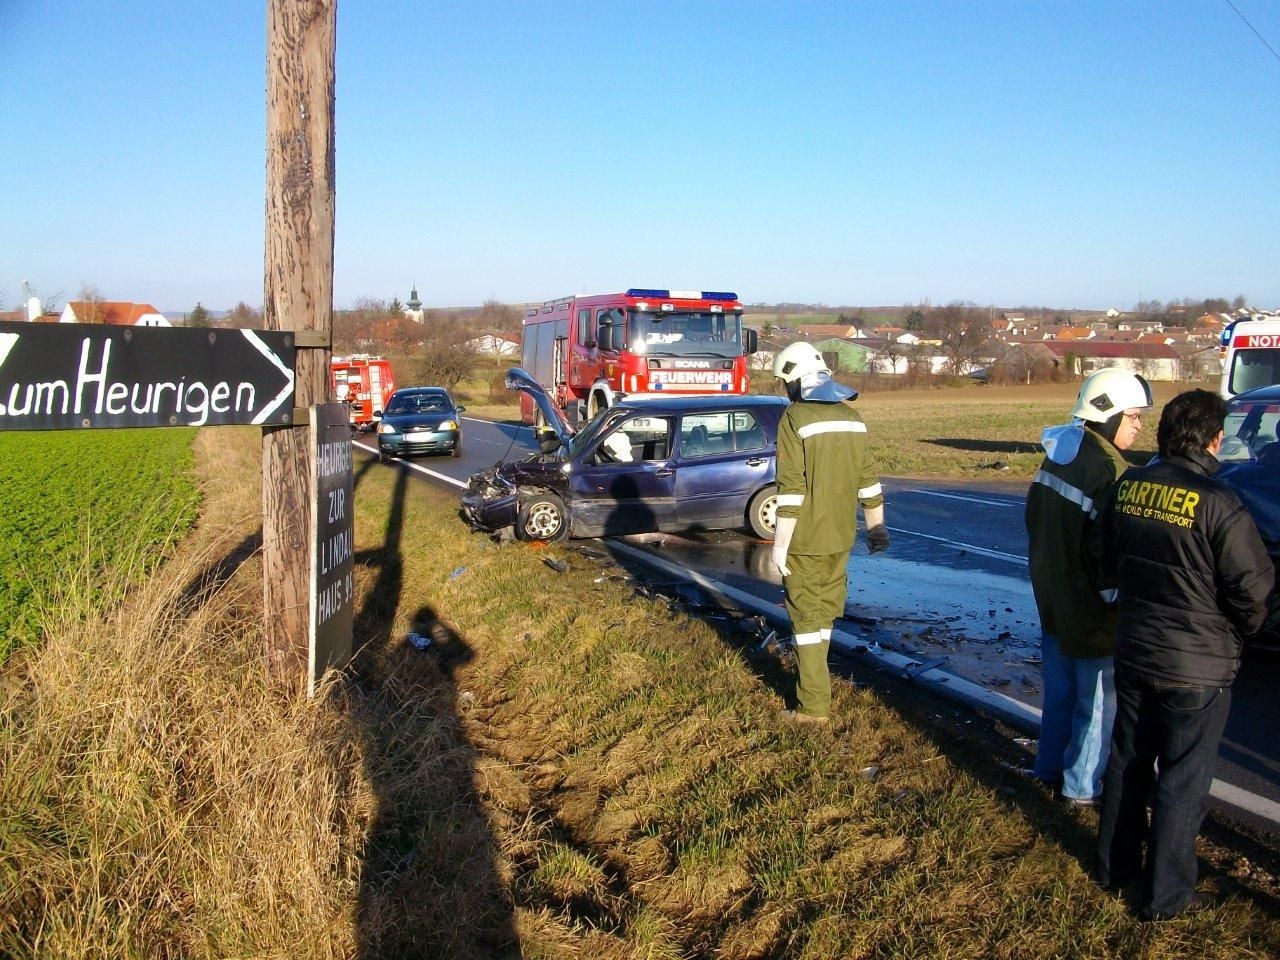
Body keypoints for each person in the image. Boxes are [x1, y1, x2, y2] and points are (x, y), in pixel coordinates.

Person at [1096, 389, 1273, 921]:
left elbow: (1106, 561)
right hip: (1198, 668)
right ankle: (1166, 897)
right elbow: (1254, 591)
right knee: (1182, 780)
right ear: (1215, 439)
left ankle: (1114, 867)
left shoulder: (1128, 486)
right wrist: (1241, 632)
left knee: (1128, 760)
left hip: (1135, 649)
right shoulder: (1220, 503)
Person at [1024, 368, 1153, 805]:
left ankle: (1047, 768)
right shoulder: (1108, 471)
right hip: (1093, 610)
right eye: (1133, 417)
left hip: (1054, 598)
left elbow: (1034, 523)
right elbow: (1107, 553)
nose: (1139, 426)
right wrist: (1118, 602)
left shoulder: (1060, 452)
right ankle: (1080, 789)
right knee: (1098, 705)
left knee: (1059, 694)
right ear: (1110, 415)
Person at [770, 342, 888, 724]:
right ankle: (817, 686)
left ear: (793, 379)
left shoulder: (794, 418)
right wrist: (876, 530)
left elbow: (791, 489)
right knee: (823, 616)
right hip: (841, 538)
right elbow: (868, 482)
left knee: (805, 620)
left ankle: (813, 707)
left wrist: (779, 546)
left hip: (805, 539)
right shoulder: (854, 417)